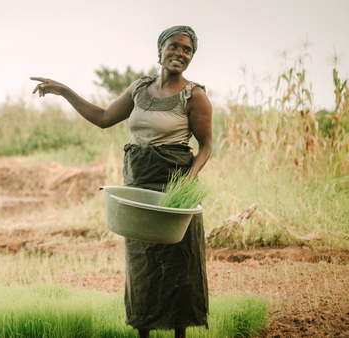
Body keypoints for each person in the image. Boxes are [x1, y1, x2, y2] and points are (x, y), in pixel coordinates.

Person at [31, 26, 211, 338]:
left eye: (187, 50)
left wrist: (185, 186)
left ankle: (179, 334)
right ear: (159, 50)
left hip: (173, 184)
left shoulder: (194, 95)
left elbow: (206, 145)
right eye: (174, 46)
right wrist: (65, 91)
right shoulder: (139, 88)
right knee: (141, 260)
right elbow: (103, 118)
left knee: (178, 262)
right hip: (138, 179)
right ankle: (143, 332)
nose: (180, 53)